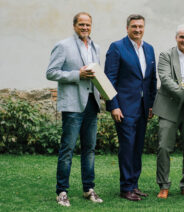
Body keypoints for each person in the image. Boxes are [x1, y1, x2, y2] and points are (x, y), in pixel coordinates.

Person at [46, 12, 103, 207]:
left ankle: (89, 189)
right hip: (72, 105)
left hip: (92, 104)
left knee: (89, 149)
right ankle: (62, 191)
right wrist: (77, 74)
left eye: (88, 24)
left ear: (91, 26)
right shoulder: (63, 46)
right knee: (67, 149)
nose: (85, 27)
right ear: (74, 25)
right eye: (81, 24)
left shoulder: (96, 47)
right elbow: (51, 72)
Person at [104, 14, 157, 201]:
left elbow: (151, 80)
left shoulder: (149, 49)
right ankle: (126, 187)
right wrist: (114, 106)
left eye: (141, 26)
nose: (137, 30)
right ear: (127, 28)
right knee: (127, 147)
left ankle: (134, 185)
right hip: (124, 109)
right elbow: (109, 80)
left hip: (142, 109)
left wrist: (151, 105)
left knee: (137, 148)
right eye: (134, 26)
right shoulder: (117, 48)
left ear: (144, 28)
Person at [152, 24, 184, 199]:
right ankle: (164, 186)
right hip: (169, 107)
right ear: (176, 38)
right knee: (163, 148)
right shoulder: (166, 55)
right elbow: (165, 79)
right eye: (182, 37)